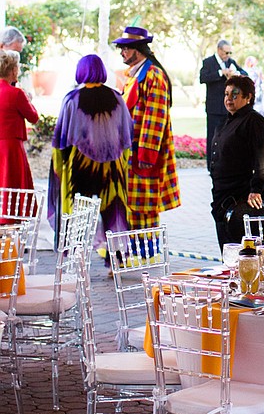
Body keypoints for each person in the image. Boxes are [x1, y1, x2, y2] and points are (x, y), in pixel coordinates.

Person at [47, 54, 133, 249]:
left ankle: (74, 256)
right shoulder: (116, 98)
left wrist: (60, 168)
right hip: (112, 167)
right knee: (113, 212)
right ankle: (116, 258)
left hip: (80, 167)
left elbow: (61, 139)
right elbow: (126, 135)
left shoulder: (72, 99)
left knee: (77, 213)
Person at [114, 26, 181, 229]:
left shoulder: (153, 76)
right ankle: (136, 252)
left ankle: (147, 254)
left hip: (145, 155)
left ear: (139, 49)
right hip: (132, 152)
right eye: (121, 49)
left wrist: (146, 155)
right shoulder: (135, 75)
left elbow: (155, 118)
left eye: (126, 48)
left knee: (145, 207)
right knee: (134, 206)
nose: (122, 53)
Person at [209, 75, 264, 250]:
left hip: (243, 196)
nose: (229, 99)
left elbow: (263, 158)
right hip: (222, 194)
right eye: (226, 94)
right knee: (227, 249)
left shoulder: (254, 121)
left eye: (234, 94)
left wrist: (256, 189)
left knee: (244, 251)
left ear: (248, 97)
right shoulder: (225, 121)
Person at [199, 38, 244, 171]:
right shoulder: (208, 62)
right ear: (219, 50)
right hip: (214, 108)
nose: (228, 56)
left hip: (229, 108)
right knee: (213, 137)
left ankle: (226, 164)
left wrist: (236, 73)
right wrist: (220, 73)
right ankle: (211, 166)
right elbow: (203, 78)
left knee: (229, 137)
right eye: (226, 52)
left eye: (230, 53)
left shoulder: (231, 62)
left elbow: (244, 73)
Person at [0, 49, 37, 188]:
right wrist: (28, 100)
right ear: (14, 70)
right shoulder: (16, 93)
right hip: (11, 148)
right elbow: (33, 117)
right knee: (14, 186)